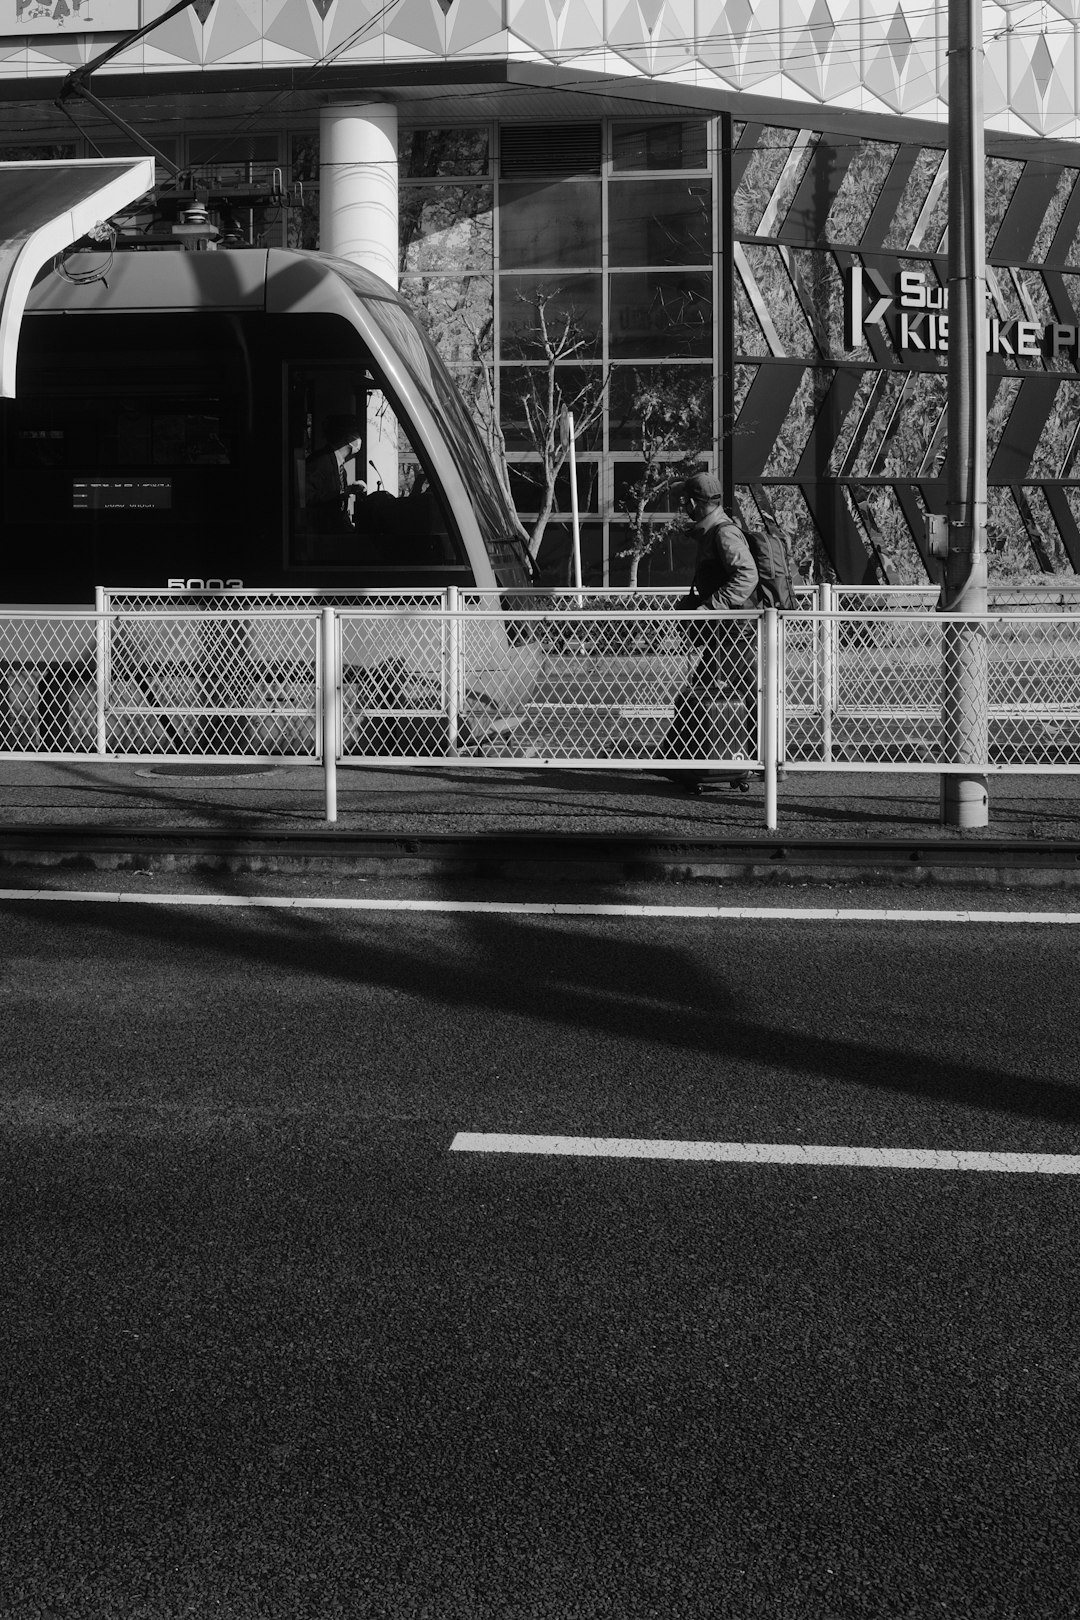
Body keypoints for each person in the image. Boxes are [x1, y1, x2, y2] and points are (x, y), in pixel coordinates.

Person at [660, 470, 760, 787]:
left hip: (735, 635)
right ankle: (685, 761)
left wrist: (710, 605)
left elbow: (747, 575)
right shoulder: (713, 531)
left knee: (747, 696)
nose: (683, 507)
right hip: (726, 635)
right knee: (708, 692)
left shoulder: (723, 533)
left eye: (684, 501)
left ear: (693, 501)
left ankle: (759, 762)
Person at [304, 415, 367, 534]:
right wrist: (344, 493)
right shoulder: (319, 461)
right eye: (357, 434)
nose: (359, 439)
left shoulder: (340, 466)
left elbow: (340, 510)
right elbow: (307, 498)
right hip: (321, 536)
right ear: (348, 437)